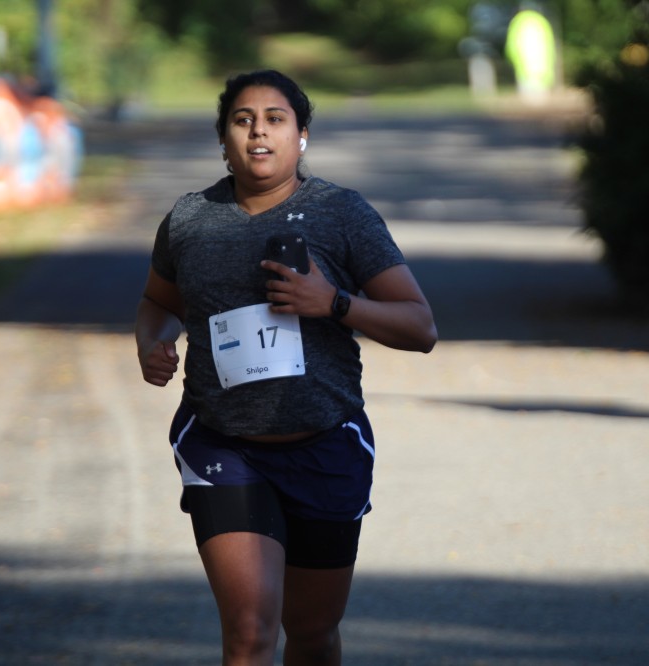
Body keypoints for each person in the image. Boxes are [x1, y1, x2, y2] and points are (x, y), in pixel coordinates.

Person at [135, 69, 437, 666]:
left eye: (275, 119)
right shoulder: (189, 219)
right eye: (243, 120)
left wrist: (334, 303)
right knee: (250, 632)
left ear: (301, 136)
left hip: (325, 446)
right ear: (223, 139)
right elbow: (158, 303)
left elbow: (420, 327)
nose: (258, 132)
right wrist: (153, 341)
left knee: (312, 630)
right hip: (223, 444)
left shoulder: (340, 213)